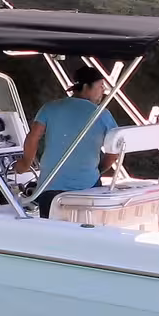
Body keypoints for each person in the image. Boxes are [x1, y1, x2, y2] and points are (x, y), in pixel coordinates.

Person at [20, 71, 119, 217]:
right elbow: (115, 151)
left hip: (51, 186)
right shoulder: (102, 114)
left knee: (50, 232)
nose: (103, 91)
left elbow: (33, 137)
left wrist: (25, 164)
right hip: (88, 186)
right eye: (100, 86)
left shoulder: (50, 108)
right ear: (86, 87)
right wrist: (98, 170)